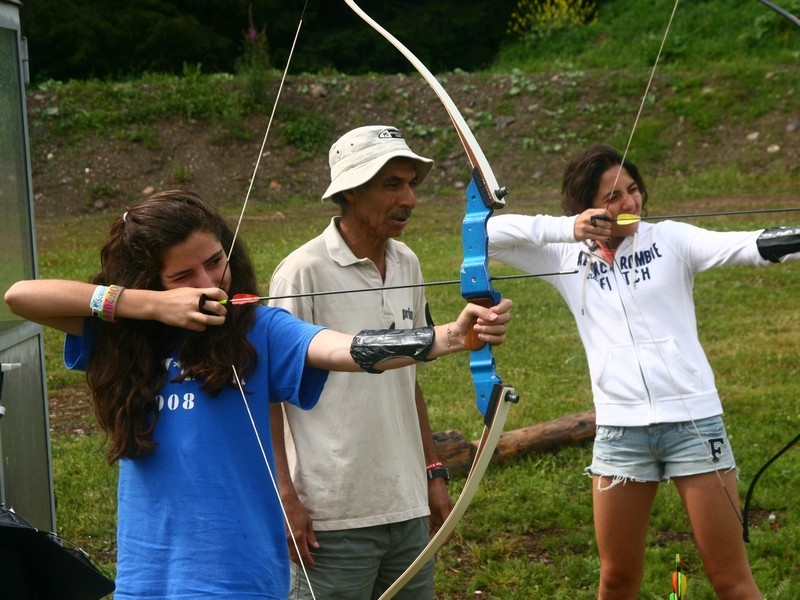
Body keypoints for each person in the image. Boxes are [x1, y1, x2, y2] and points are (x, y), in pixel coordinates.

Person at [3, 190, 512, 600]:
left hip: (241, 577)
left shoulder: (260, 329)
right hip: (148, 577)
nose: (209, 282)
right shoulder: (126, 334)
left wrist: (446, 336)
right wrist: (151, 306)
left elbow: (346, 349)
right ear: (148, 280)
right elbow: (20, 296)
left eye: (215, 261)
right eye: (184, 275)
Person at [487, 144, 799, 599]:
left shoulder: (670, 239)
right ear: (587, 208)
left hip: (693, 424)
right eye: (612, 197)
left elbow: (747, 245)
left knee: (731, 581)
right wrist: (565, 230)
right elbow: (483, 235)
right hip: (620, 433)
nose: (629, 203)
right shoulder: (564, 256)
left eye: (632, 190)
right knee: (615, 580)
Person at [268, 125, 453, 600]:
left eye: (411, 183)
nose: (410, 198)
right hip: (332, 514)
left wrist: (431, 471)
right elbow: (269, 388)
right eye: (392, 184)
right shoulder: (302, 271)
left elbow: (408, 379)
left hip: (406, 505)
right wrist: (284, 496)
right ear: (350, 191)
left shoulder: (407, 261)